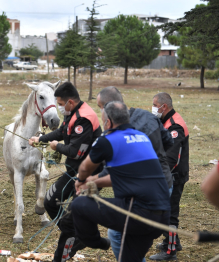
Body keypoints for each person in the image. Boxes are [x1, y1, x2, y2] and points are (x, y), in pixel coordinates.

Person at [72, 101, 171, 262]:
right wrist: (94, 182)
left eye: (103, 121)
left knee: (78, 205)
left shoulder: (108, 140)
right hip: (162, 215)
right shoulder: (142, 138)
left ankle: (98, 242)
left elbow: (84, 167)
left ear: (108, 122)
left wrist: (80, 181)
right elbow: (121, 176)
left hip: (139, 213)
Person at [28, 82, 102, 262]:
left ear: (70, 102)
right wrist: (41, 139)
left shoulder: (84, 118)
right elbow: (62, 131)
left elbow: (76, 152)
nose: (59, 107)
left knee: (71, 219)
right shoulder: (73, 113)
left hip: (88, 176)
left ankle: (66, 249)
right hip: (72, 172)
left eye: (60, 104)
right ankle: (78, 235)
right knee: (49, 202)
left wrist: (56, 147)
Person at [149, 92, 189, 261]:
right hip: (169, 173)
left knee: (170, 212)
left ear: (163, 107)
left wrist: (159, 175)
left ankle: (170, 251)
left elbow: (172, 158)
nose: (153, 108)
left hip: (174, 175)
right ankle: (174, 242)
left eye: (154, 105)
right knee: (167, 209)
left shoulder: (175, 126)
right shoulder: (165, 121)